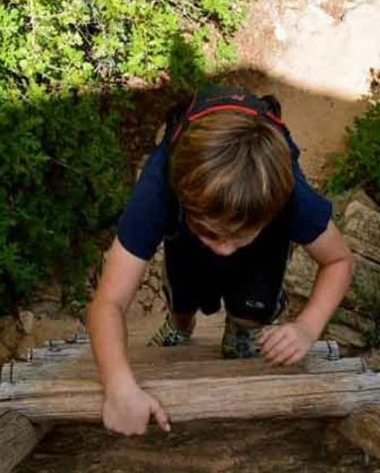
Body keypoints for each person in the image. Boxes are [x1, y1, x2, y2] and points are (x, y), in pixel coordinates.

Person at [87, 84, 354, 436]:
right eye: (213, 234)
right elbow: (108, 301)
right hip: (192, 231)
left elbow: (338, 261)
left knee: (250, 309)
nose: (224, 249)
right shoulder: (159, 189)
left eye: (237, 237)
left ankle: (240, 332)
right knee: (183, 295)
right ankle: (181, 326)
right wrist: (119, 387)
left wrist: (307, 327)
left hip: (256, 237)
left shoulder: (288, 194)